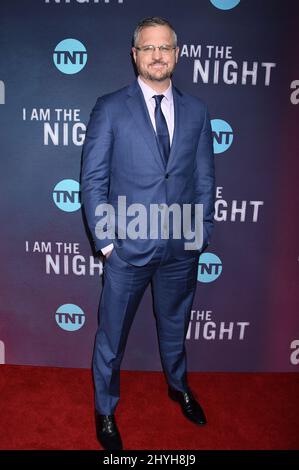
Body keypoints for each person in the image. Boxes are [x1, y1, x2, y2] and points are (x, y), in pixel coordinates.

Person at [81, 16, 215, 450]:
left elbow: (203, 179)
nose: (158, 56)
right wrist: (106, 245)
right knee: (111, 336)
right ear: (135, 55)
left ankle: (178, 387)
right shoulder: (110, 107)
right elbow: (93, 181)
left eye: (165, 48)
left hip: (181, 247)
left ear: (176, 54)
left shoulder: (196, 111)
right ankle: (105, 409)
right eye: (148, 48)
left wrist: (198, 237)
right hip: (127, 248)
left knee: (176, 326)